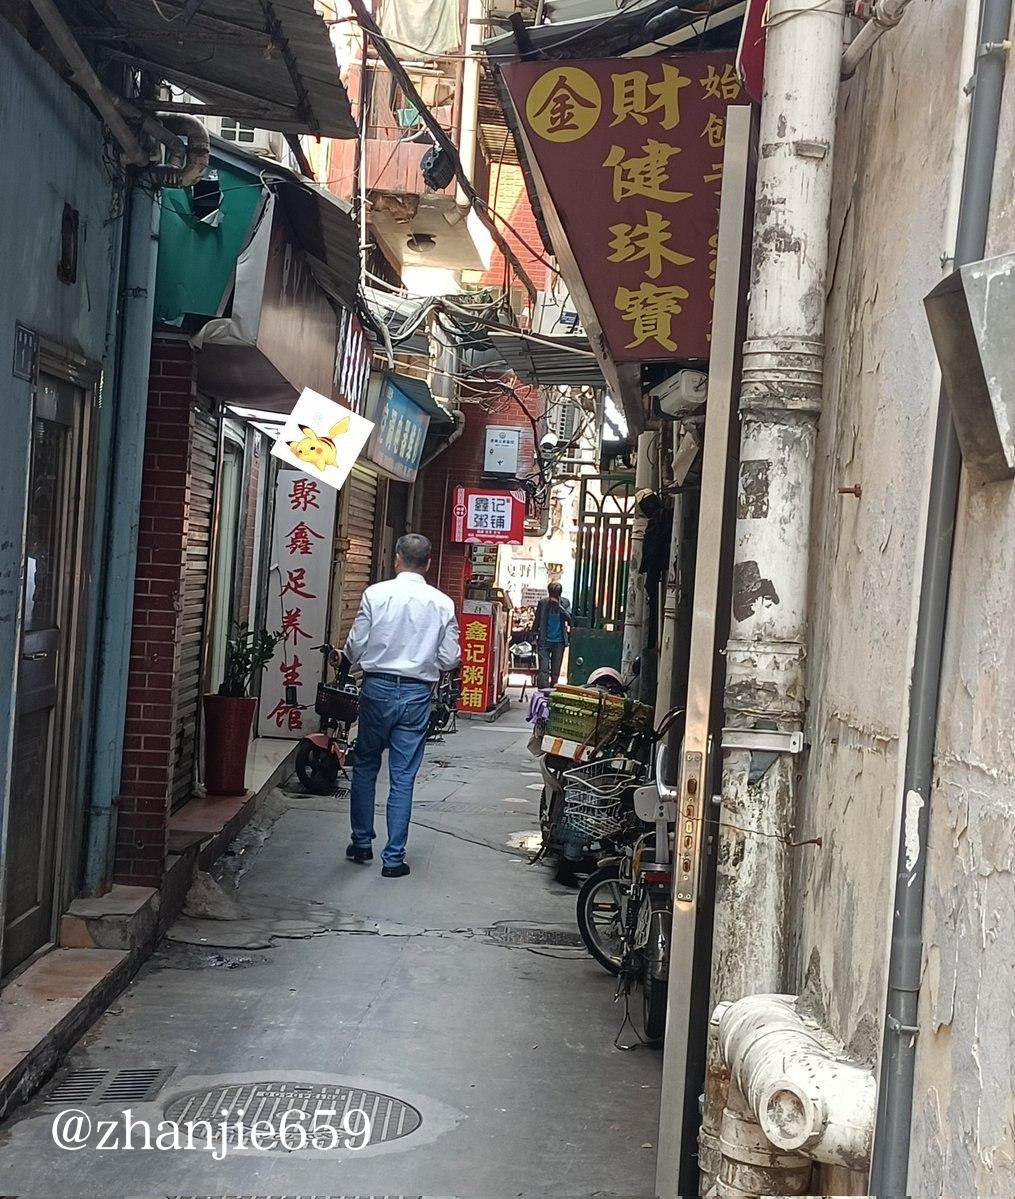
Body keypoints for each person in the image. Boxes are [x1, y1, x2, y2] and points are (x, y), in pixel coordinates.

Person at [342, 533, 460, 877]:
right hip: (416, 694)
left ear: (396, 558)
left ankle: (361, 842)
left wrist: (346, 659)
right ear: (428, 564)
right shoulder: (442, 603)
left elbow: (356, 644)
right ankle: (393, 859)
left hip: (376, 689)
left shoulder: (375, 594)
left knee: (366, 764)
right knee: (403, 775)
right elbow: (450, 658)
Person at [533, 582, 572, 689]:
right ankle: (543, 690)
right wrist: (534, 635)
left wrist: (559, 607)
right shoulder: (543, 603)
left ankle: (553, 689)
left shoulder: (565, 603)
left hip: (559, 642)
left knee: (555, 670)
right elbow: (537, 620)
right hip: (544, 641)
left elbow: (570, 619)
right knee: (543, 669)